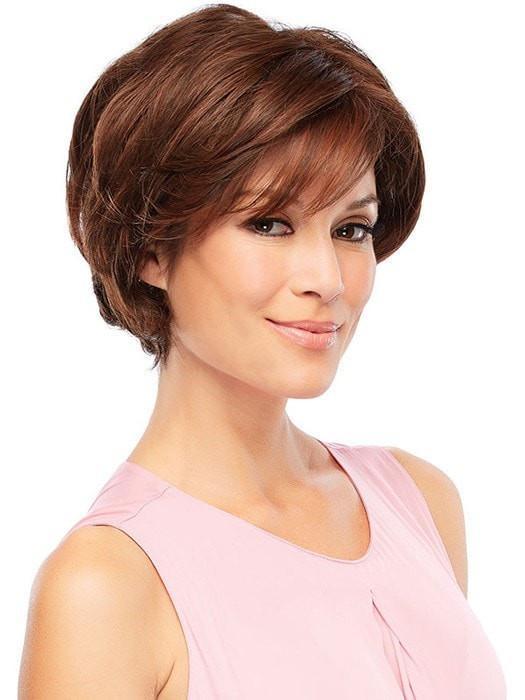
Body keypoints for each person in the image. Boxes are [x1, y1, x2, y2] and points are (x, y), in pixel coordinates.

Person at [18, 3, 506, 698]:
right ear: (151, 247)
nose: (326, 280)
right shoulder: (106, 586)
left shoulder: (420, 501)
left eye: (351, 229)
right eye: (270, 223)